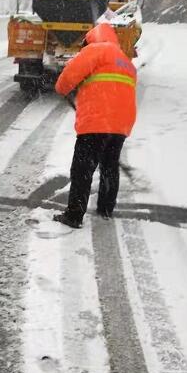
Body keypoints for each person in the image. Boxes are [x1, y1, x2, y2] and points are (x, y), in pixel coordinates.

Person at [53, 22, 137, 228]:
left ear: (91, 39)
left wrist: (61, 88)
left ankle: (74, 215)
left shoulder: (96, 50)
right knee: (109, 166)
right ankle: (106, 208)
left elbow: (68, 77)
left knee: (82, 168)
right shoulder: (125, 61)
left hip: (96, 121)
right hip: (121, 124)